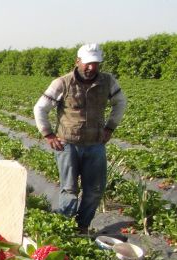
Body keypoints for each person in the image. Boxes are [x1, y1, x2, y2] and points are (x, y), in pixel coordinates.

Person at [33, 43, 127, 233]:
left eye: (96, 63)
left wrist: (110, 127)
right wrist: (48, 134)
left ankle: (82, 226)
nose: (92, 67)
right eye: (88, 63)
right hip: (68, 145)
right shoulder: (62, 82)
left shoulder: (107, 81)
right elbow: (40, 108)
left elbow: (121, 102)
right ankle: (65, 227)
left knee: (95, 190)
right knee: (69, 190)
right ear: (78, 61)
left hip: (95, 144)